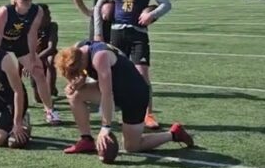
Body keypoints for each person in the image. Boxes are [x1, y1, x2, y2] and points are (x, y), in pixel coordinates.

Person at [58, 41, 194, 156]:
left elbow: (107, 94)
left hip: (134, 95)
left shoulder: (100, 57)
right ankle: (86, 139)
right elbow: (84, 74)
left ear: (81, 61)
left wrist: (105, 128)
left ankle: (174, 134)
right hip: (117, 89)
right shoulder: (79, 49)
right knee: (75, 95)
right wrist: (78, 83)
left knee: (132, 147)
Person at [93, 0, 170, 130]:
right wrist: (98, 33)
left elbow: (166, 4)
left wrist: (152, 14)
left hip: (138, 33)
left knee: (142, 75)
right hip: (117, 33)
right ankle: (118, 111)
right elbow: (98, 7)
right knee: (116, 76)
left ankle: (148, 114)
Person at [0, 0, 61, 124]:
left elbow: (32, 34)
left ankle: (49, 110)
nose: (27, 1)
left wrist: (31, 58)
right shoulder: (4, 11)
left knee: (38, 71)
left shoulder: (37, 11)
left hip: (20, 42)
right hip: (4, 42)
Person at [34, 3, 58, 102]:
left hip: (47, 55)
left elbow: (51, 48)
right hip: (35, 56)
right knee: (38, 99)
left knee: (51, 60)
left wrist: (36, 59)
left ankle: (50, 89)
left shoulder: (52, 26)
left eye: (49, 14)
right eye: (47, 15)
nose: (50, 17)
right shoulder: (30, 28)